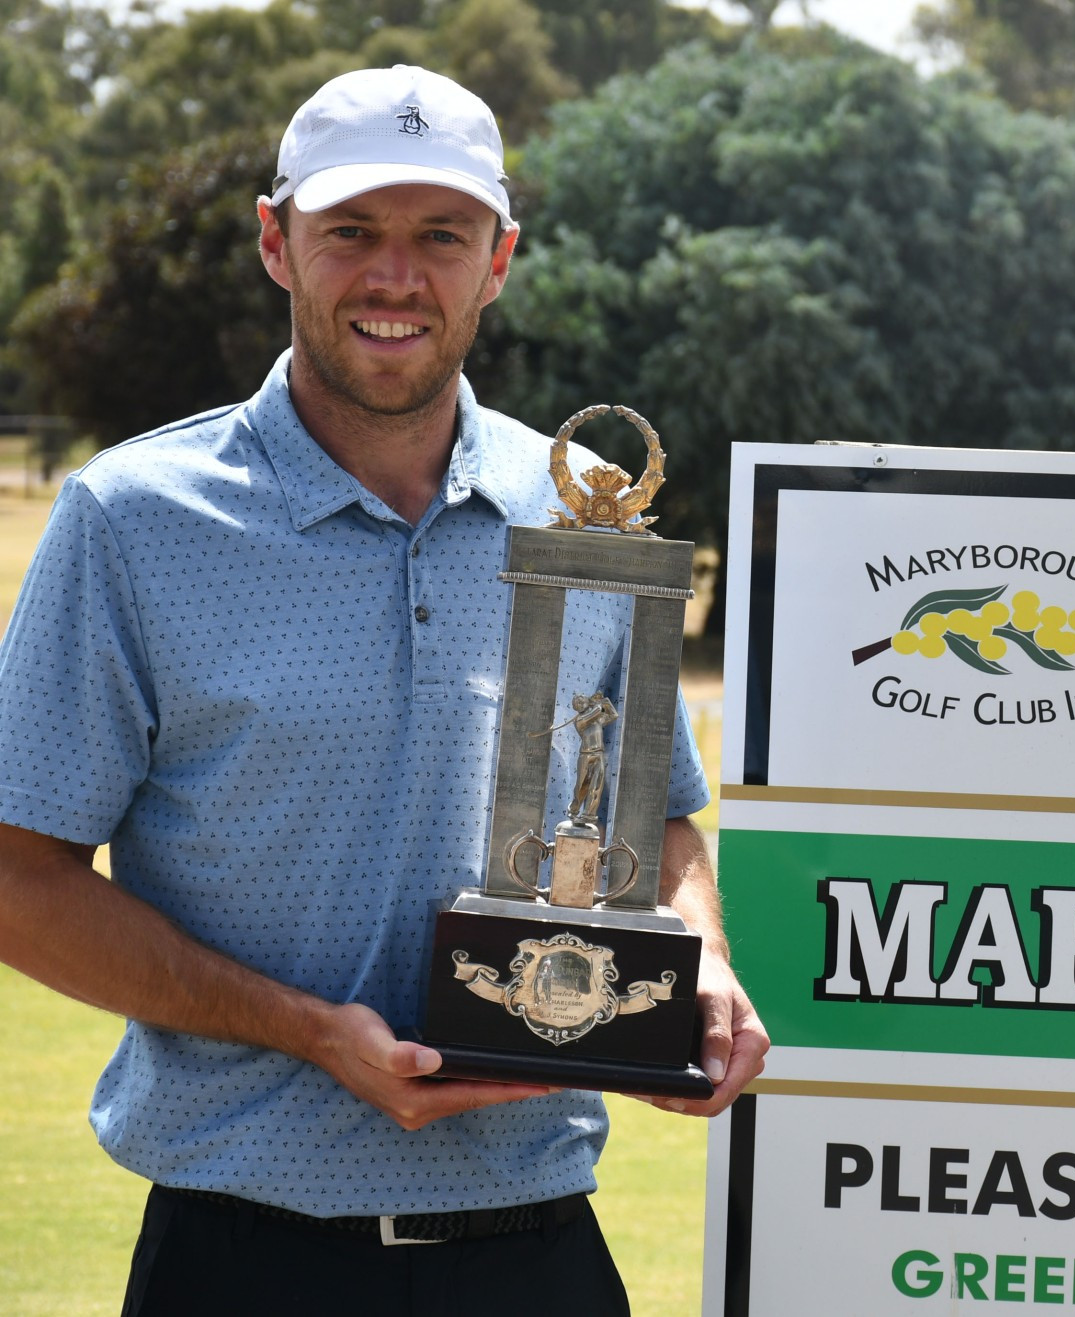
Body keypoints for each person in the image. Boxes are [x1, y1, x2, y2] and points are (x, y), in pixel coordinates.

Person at [0, 65, 766, 1315]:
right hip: (241, 1255)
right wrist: (310, 1030)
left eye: (440, 236)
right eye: (351, 231)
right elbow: (17, 880)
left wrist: (705, 963)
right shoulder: (133, 521)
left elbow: (659, 822)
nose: (395, 277)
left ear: (500, 258)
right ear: (275, 243)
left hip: (539, 1252)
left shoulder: (575, 504)